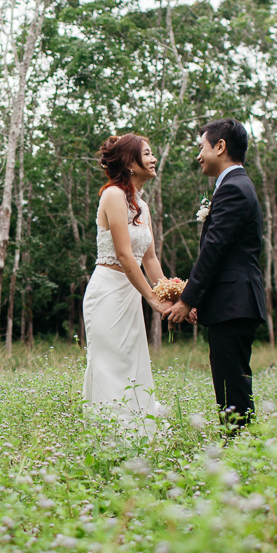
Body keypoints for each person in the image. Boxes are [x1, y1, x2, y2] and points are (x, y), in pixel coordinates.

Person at [168, 118, 267, 433]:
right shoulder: (234, 185)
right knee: (230, 383)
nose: (198, 156)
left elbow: (214, 251)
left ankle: (241, 450)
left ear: (220, 146)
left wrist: (187, 299)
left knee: (232, 388)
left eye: (201, 147)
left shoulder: (234, 188)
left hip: (235, 302)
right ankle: (240, 447)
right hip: (232, 302)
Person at [82, 134, 173, 437]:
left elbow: (149, 258)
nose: (153, 159)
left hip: (131, 293)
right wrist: (152, 299)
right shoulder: (112, 196)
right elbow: (123, 255)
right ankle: (110, 436)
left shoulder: (143, 207)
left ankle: (137, 434)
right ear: (130, 163)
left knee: (133, 365)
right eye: (147, 153)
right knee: (110, 364)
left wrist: (170, 295)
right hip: (108, 292)